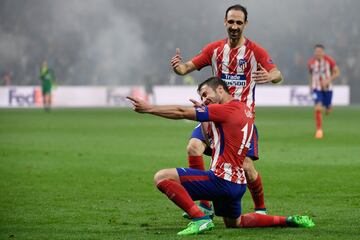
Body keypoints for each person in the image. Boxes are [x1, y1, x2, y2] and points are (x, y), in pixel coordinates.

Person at [127, 77, 314, 235]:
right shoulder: (242, 110)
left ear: (220, 89)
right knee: (235, 223)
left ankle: (200, 218)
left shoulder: (226, 109)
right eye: (202, 96)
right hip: (237, 184)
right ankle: (288, 220)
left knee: (162, 177)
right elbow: (217, 141)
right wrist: (207, 116)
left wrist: (149, 108)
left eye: (206, 93)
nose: (205, 98)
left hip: (220, 180)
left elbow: (182, 112)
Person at [170, 4, 283, 214]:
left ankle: (260, 209)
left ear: (245, 24)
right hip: (215, 116)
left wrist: (270, 76)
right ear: (225, 22)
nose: (234, 26)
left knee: (246, 166)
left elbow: (277, 73)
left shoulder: (254, 51)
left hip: (240, 120)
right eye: (231, 21)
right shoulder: (214, 50)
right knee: (193, 146)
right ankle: (205, 205)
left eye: (239, 22)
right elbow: (186, 68)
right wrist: (178, 68)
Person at [308, 44, 340, 139]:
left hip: (327, 88)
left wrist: (328, 80)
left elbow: (337, 72)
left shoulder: (329, 60)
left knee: (328, 109)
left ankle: (328, 106)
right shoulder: (311, 62)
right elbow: (310, 75)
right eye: (316, 51)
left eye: (320, 51)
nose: (318, 53)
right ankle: (319, 130)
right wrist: (310, 86)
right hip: (316, 88)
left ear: (323, 52)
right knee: (318, 108)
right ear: (314, 52)